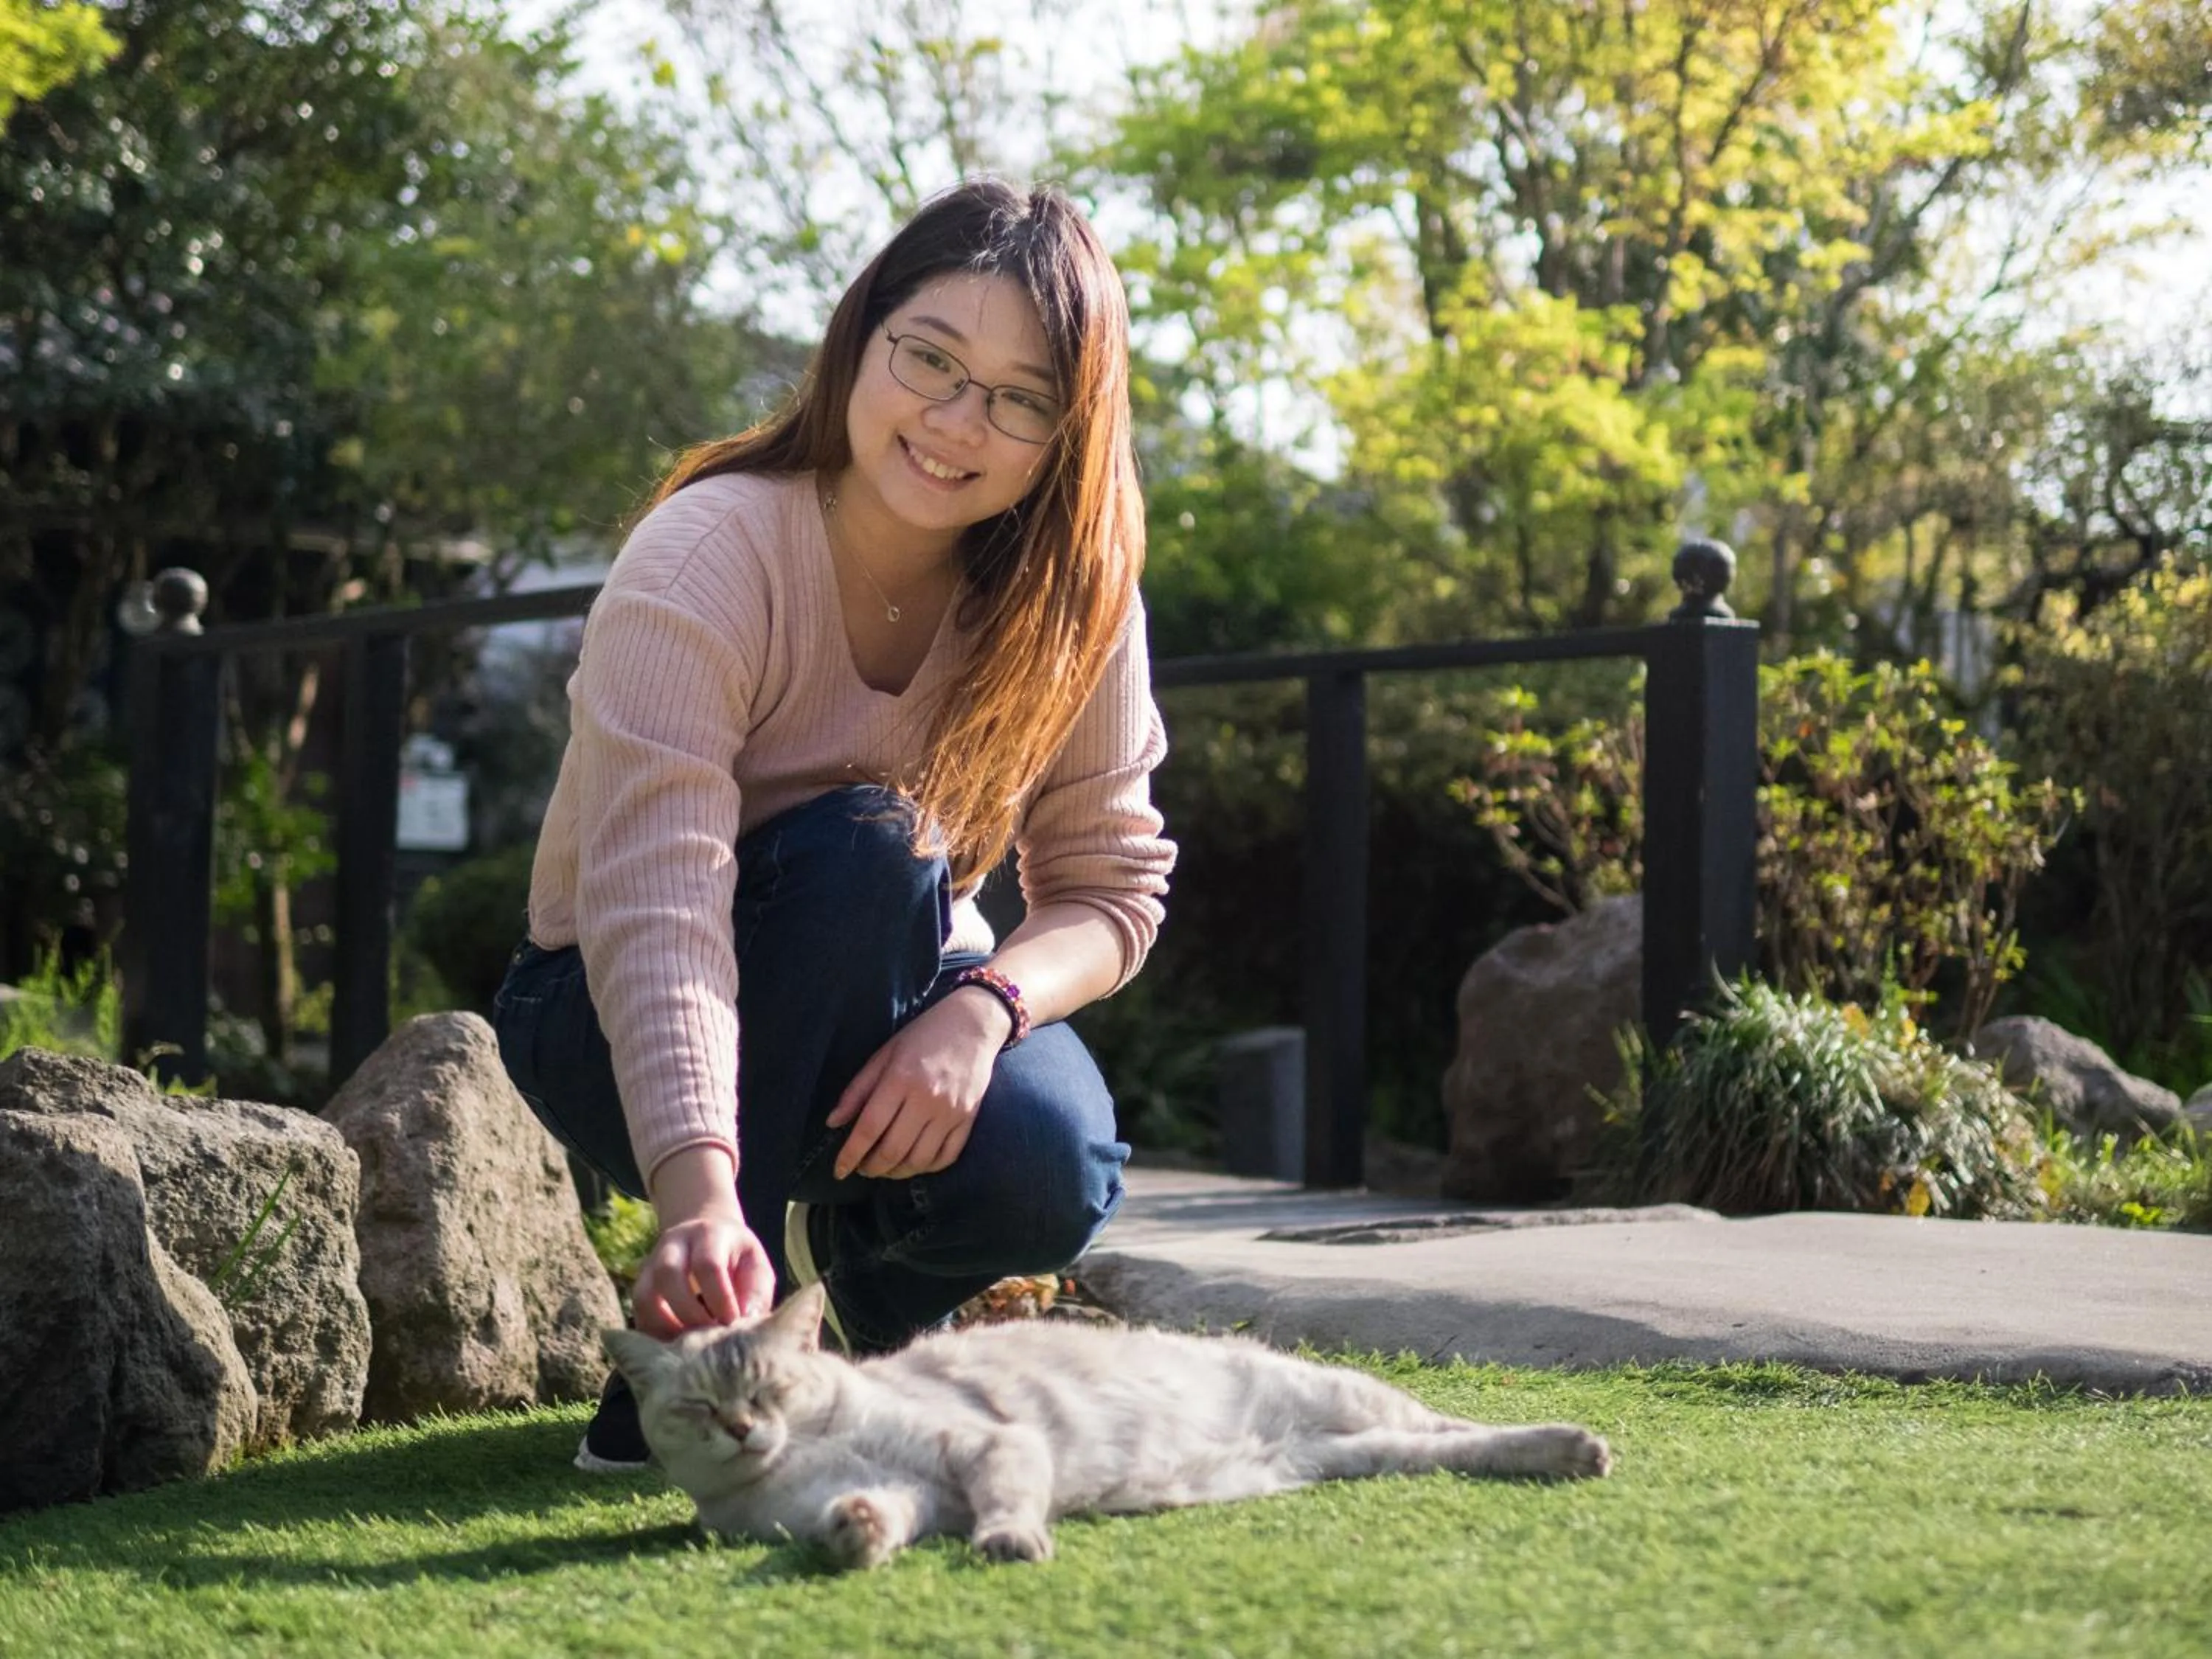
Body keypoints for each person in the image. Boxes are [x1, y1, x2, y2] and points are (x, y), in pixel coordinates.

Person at [490, 178, 1175, 1472]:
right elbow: (658, 896)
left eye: (1022, 398)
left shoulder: (1073, 599)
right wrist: (693, 1198)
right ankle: (699, 1360)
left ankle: (842, 1315)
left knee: (1052, 1155)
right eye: (931, 358)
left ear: (1066, 432)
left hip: (888, 1002)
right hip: (602, 1009)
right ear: (863, 336)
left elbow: (1111, 891)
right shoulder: (710, 556)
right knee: (873, 847)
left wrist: (987, 1014)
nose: (957, 421)